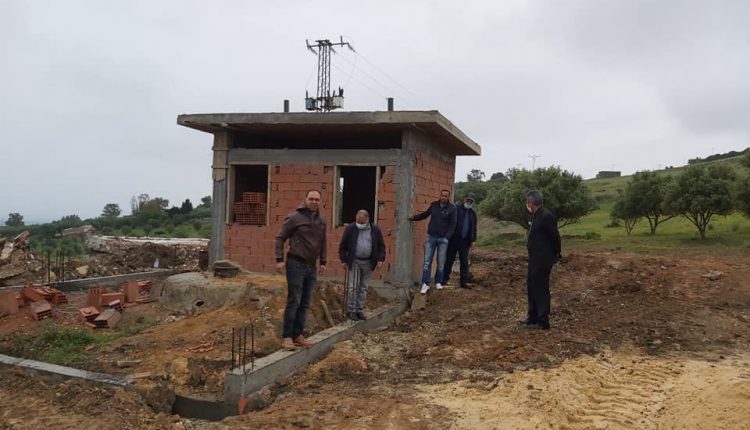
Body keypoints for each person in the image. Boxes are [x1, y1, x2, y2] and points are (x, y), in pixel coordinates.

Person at [275, 190, 327, 350]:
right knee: (294, 301)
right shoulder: (294, 217)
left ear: (320, 201)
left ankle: (298, 335)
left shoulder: (321, 221)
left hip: (311, 267)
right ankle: (287, 337)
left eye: (317, 199)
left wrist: (323, 262)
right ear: (305, 200)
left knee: (305, 303)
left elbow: (323, 242)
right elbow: (280, 238)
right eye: (311, 199)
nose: (314, 201)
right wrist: (279, 260)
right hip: (295, 264)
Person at [520, 189, 561, 330]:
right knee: (532, 286)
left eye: (528, 202)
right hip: (534, 258)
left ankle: (543, 321)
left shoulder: (546, 216)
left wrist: (555, 255)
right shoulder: (536, 216)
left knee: (541, 289)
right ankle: (532, 317)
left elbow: (555, 238)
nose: (527, 205)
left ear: (532, 202)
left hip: (543, 259)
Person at [338, 210, 386, 321]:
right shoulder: (351, 229)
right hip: (354, 261)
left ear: (367, 220)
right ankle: (351, 311)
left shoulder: (375, 230)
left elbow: (381, 246)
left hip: (368, 262)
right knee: (353, 287)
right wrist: (343, 260)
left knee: (363, 287)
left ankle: (359, 310)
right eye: (358, 222)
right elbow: (343, 245)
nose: (359, 225)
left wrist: (380, 259)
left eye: (361, 223)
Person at [409, 189, 457, 294]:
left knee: (441, 263)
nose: (443, 197)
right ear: (440, 195)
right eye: (442, 195)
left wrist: (447, 237)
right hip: (431, 237)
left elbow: (453, 224)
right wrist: (414, 218)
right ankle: (425, 284)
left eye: (446, 196)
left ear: (448, 197)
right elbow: (425, 214)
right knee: (427, 262)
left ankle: (438, 282)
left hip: (443, 239)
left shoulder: (452, 208)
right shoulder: (434, 205)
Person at [444, 192, 478, 289]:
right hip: (453, 239)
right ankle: (444, 279)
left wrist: (473, 240)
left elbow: (474, 228)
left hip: (465, 241)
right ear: (464, 199)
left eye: (471, 201)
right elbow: (449, 221)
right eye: (468, 200)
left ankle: (463, 282)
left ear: (473, 202)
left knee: (464, 262)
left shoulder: (473, 214)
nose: (469, 202)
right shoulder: (456, 208)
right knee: (449, 260)